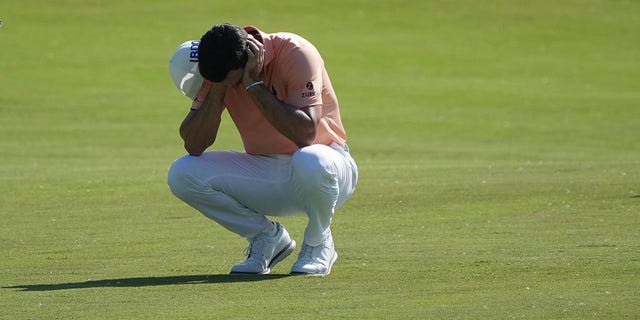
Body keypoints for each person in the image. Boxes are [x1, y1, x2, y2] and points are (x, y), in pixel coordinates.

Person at [167, 23, 358, 276]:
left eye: (230, 80)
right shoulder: (216, 68)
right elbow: (194, 144)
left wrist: (254, 85)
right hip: (266, 172)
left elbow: (306, 134)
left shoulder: (295, 52)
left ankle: (318, 243)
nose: (229, 87)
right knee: (182, 173)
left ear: (246, 58)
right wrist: (217, 88)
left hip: (327, 168)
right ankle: (267, 239)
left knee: (309, 159)